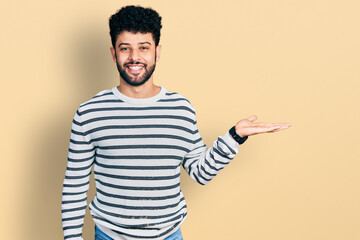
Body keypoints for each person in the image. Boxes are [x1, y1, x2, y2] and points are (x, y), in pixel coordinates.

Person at [61, 5, 291, 240]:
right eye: (125, 48)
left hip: (169, 235)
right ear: (113, 54)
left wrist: (234, 136)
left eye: (144, 48)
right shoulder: (89, 113)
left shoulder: (180, 109)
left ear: (157, 52)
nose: (134, 57)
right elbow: (74, 186)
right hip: (110, 235)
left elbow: (200, 172)